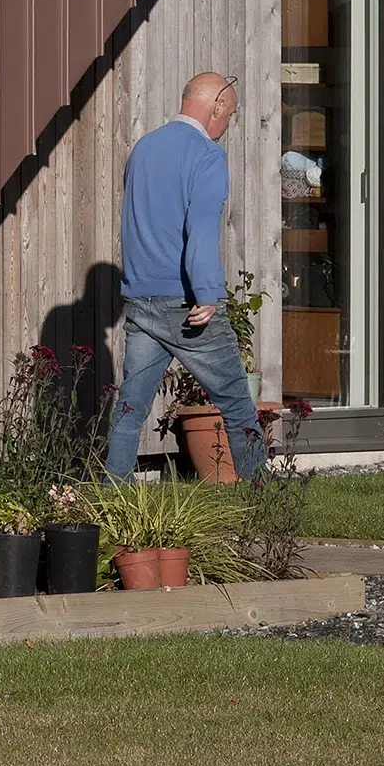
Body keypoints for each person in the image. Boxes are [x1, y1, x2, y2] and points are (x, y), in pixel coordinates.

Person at [104, 70, 268, 480]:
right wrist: (208, 293)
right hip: (187, 303)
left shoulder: (143, 149)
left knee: (129, 410)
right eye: (229, 114)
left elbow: (135, 224)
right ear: (216, 107)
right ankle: (268, 507)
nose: (227, 125)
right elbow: (201, 231)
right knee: (235, 403)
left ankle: (107, 503)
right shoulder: (207, 155)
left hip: (140, 301)